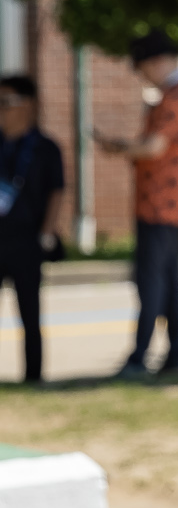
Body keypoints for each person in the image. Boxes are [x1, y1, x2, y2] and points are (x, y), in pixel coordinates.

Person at [95, 30, 178, 379]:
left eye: (143, 67)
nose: (142, 75)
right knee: (168, 280)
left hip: (160, 202)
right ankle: (177, 353)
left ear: (158, 62)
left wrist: (118, 148)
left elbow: (154, 147)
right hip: (168, 203)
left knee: (151, 281)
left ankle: (139, 356)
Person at [0, 75, 66, 384]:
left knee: (29, 312)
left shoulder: (46, 148)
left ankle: (34, 378)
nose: (1, 110)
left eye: (6, 103)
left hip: (26, 240)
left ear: (28, 105)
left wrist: (47, 232)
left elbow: (56, 191)